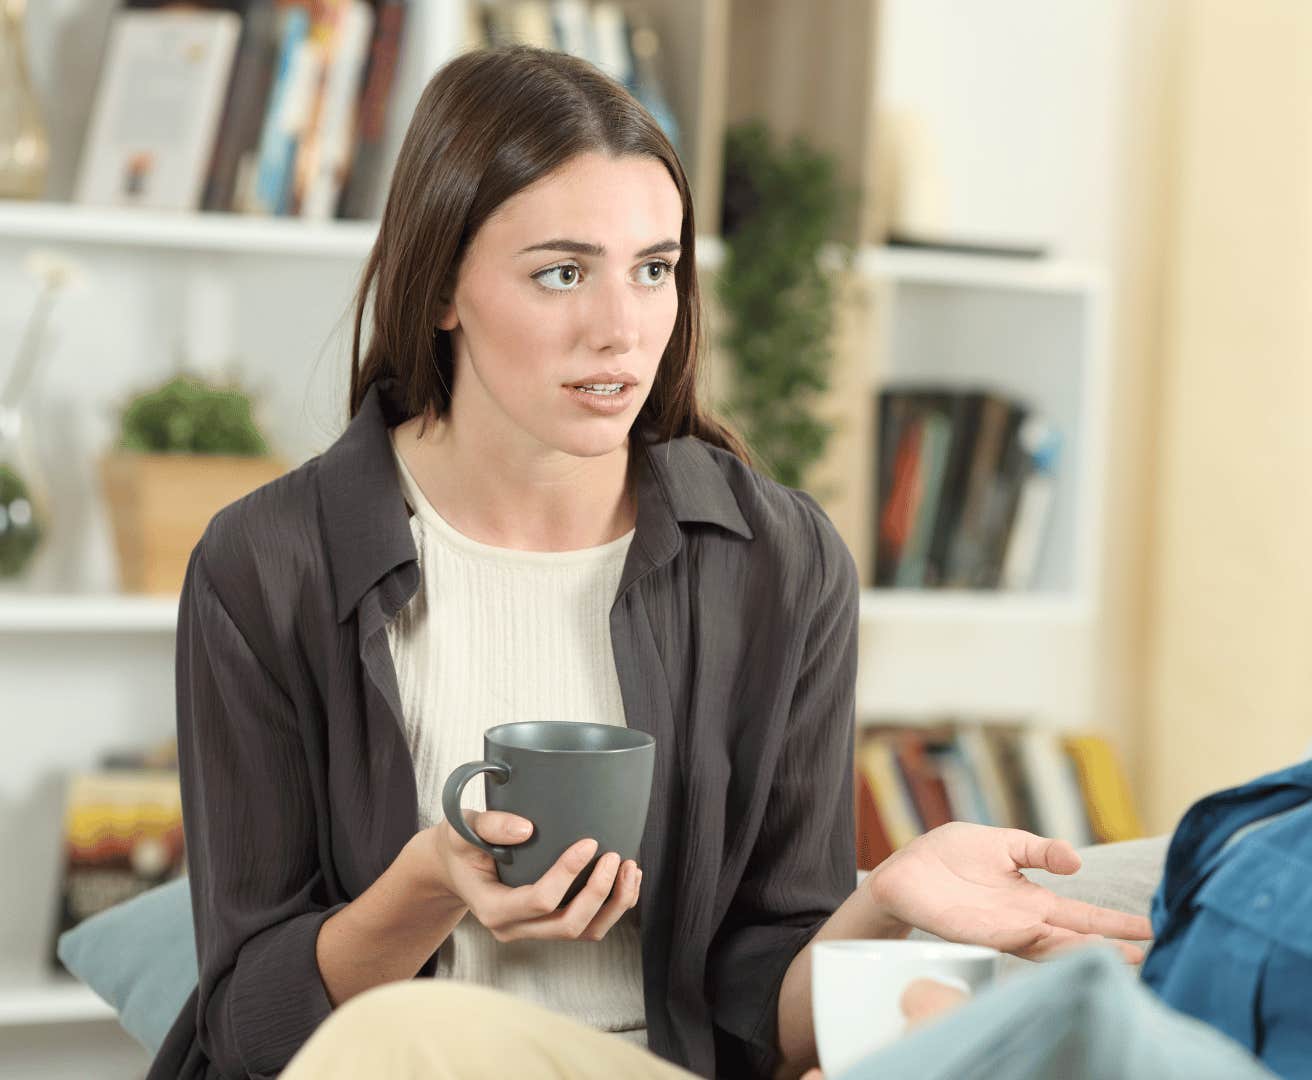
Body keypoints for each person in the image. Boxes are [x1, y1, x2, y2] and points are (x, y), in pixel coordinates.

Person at [281, 140, 1312, 1080]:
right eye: (562, 272)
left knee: (417, 1048)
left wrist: (1027, 1035)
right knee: (410, 1040)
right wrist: (1012, 970)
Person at [154, 46, 1148, 1080]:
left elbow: (771, 1014)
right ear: (443, 286)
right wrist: (430, 883)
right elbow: (253, 1032)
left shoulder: (779, 562)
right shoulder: (268, 564)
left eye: (655, 269)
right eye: (562, 272)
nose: (621, 330)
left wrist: (883, 898)